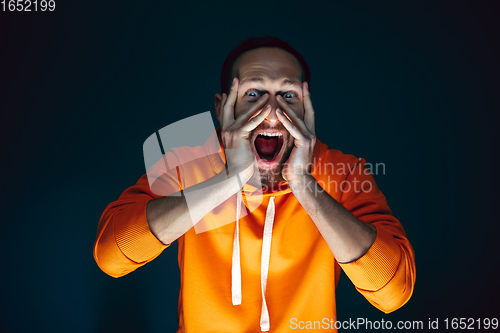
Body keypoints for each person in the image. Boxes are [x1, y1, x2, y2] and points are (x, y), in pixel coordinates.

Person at [93, 36, 416, 332]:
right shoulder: (184, 164)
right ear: (222, 108)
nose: (272, 112)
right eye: (253, 94)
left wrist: (303, 184)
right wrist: (228, 180)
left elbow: (393, 294)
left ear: (307, 108)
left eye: (288, 95)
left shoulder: (343, 171)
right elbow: (112, 258)